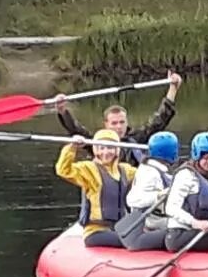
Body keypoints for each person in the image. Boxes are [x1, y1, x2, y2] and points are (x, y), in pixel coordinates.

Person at [55, 71, 184, 166]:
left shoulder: (137, 138)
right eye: (114, 123)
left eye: (122, 122)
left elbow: (160, 120)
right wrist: (62, 110)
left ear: (127, 122)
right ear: (106, 124)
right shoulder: (99, 143)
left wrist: (173, 89)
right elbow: (75, 129)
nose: (119, 127)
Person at [55, 129, 136, 248]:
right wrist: (72, 147)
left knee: (138, 237)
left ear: (117, 149)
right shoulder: (89, 169)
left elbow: (145, 176)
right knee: (132, 240)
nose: (106, 152)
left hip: (119, 228)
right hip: (95, 232)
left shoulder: (125, 170)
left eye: (110, 147)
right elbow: (63, 170)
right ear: (95, 150)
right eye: (101, 148)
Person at [164, 132, 208, 253]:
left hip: (198, 231)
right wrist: (195, 223)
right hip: (179, 235)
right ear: (197, 156)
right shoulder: (186, 175)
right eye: (206, 158)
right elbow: (171, 208)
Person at [121, 131, 179, 251]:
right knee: (183, 227)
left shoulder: (161, 169)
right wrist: (159, 195)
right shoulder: (150, 172)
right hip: (151, 222)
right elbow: (133, 200)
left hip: (158, 217)